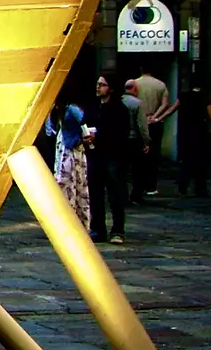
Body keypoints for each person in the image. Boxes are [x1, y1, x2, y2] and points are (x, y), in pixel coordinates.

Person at [85, 73, 131, 244]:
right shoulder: (93, 106)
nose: (98, 87)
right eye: (98, 84)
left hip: (113, 157)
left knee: (115, 195)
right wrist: (86, 136)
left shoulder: (119, 109)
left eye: (102, 84)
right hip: (95, 155)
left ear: (110, 88)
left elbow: (121, 134)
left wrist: (100, 137)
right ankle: (98, 229)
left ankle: (118, 230)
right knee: (95, 194)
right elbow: (85, 123)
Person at [131, 67, 175, 200]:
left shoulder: (135, 83)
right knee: (154, 155)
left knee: (139, 156)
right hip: (155, 122)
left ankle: (139, 185)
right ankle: (151, 186)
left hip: (140, 121)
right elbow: (165, 104)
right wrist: (155, 116)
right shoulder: (161, 84)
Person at [176, 76, 211, 198]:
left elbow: (172, 109)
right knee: (201, 162)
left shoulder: (183, 96)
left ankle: (183, 184)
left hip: (186, 132)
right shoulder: (204, 98)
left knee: (186, 160)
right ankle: (200, 188)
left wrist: (158, 118)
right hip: (200, 133)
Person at [52, 102, 91, 230]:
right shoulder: (60, 108)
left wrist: (83, 137)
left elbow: (84, 123)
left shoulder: (72, 108)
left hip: (71, 149)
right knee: (66, 183)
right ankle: (66, 221)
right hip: (64, 146)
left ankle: (74, 222)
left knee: (70, 183)